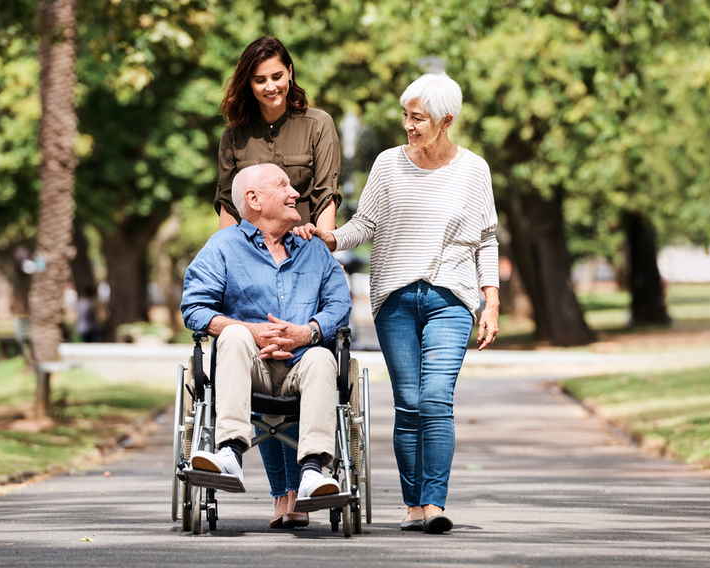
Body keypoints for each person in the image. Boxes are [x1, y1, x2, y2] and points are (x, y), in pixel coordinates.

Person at [297, 73, 501, 534]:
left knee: (435, 398)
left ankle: (434, 503)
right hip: (395, 297)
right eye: (406, 115)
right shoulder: (389, 165)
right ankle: (413, 505)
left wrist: (490, 302)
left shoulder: (474, 170)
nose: (408, 125)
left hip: (451, 296)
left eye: (418, 118)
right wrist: (330, 236)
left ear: (445, 120)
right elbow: (364, 222)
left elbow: (486, 240)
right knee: (408, 401)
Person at [214, 36, 343, 528]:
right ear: (249, 82)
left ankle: (305, 479)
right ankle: (283, 492)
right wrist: (232, 264)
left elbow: (327, 194)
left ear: (291, 72)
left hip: (305, 255)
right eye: (260, 79)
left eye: (277, 75)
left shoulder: (318, 126)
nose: (271, 86)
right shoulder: (235, 135)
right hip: (254, 255)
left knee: (301, 355)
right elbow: (230, 208)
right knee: (255, 340)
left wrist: (323, 249)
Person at [181, 163, 352, 521]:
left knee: (323, 358)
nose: (295, 194)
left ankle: (311, 472)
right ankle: (229, 454)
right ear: (254, 200)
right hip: (250, 367)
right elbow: (194, 307)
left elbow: (339, 303)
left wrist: (308, 332)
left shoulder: (313, 248)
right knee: (234, 334)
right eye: (283, 186)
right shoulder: (223, 246)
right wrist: (250, 330)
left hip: (302, 368)